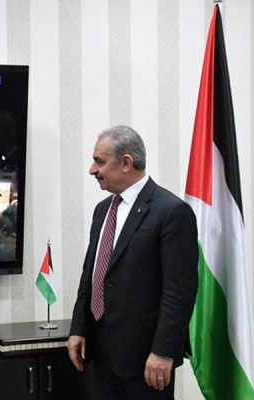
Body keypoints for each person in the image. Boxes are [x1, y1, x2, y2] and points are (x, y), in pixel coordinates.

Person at [67, 125, 198, 399]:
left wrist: (163, 352)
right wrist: (79, 328)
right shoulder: (103, 210)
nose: (92, 170)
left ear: (126, 162)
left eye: (99, 161)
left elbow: (179, 291)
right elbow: (90, 275)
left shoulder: (171, 212)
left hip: (147, 360)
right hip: (102, 354)